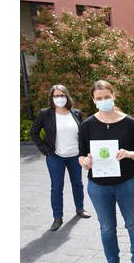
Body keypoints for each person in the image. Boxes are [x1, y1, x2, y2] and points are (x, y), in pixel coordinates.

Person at [78, 80, 134, 263]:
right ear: (93, 100)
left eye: (106, 97)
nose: (103, 101)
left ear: (113, 96)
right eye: (99, 99)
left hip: (128, 183)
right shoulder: (87, 125)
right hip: (99, 187)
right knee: (107, 227)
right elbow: (81, 156)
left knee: (133, 223)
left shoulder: (129, 123)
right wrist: (86, 162)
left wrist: (128, 154)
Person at [29, 84, 91, 231]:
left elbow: (82, 135)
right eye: (56, 96)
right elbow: (34, 133)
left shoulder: (75, 113)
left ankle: (80, 209)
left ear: (67, 96)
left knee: (77, 183)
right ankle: (57, 217)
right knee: (57, 187)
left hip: (75, 156)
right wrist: (45, 150)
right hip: (56, 157)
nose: (59, 98)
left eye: (62, 95)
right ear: (52, 98)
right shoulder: (45, 114)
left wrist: (85, 151)